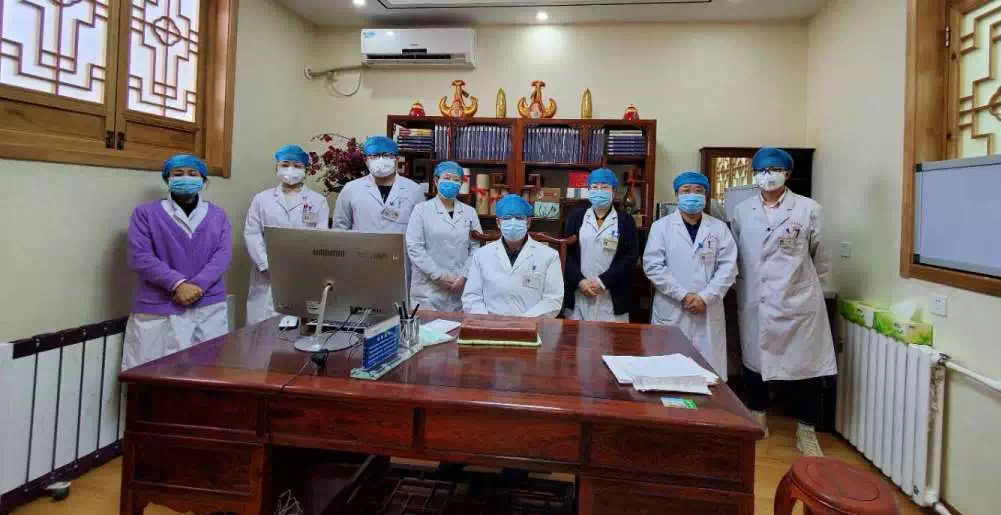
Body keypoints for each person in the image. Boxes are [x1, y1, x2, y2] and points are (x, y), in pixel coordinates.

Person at [731, 147, 836, 457]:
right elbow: (737, 252)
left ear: (787, 174)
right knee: (755, 362)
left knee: (807, 368)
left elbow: (823, 257)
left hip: (798, 301)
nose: (768, 176)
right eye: (762, 170)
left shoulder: (809, 209)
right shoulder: (742, 211)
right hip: (756, 299)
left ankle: (806, 431)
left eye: (775, 170)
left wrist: (804, 287)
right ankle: (758, 418)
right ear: (754, 175)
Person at [122, 154, 232, 370]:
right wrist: (178, 284)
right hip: (158, 306)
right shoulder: (145, 214)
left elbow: (222, 255)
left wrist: (197, 285)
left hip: (207, 305)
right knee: (152, 374)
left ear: (204, 180)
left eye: (192, 173)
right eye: (178, 174)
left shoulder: (218, 215)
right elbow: (139, 256)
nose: (185, 178)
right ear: (167, 179)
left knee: (206, 373)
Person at [643, 171, 737, 380]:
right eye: (686, 190)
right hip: (673, 306)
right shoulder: (661, 227)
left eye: (698, 191)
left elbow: (729, 268)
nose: (692, 195)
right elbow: (653, 266)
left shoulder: (719, 228)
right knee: (668, 372)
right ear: (677, 195)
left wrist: (705, 297)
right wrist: (683, 295)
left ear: (706, 195)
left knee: (707, 375)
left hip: (707, 307)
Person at [244, 144, 329, 325]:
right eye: (285, 165)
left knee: (299, 327)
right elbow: (252, 233)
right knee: (262, 328)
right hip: (267, 273)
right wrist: (265, 264)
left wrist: (305, 266)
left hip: (303, 271)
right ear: (277, 167)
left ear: (306, 170)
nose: (290, 170)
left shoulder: (318, 201)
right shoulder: (262, 199)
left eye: (297, 166)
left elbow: (321, 238)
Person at [462, 194, 564, 317]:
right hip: (490, 323)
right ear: (498, 222)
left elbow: (553, 300)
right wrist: (487, 321)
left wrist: (523, 322)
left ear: (528, 222)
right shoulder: (481, 255)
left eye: (519, 218)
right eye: (507, 218)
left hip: (532, 324)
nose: (513, 222)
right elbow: (471, 297)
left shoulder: (549, 256)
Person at [562, 168, 639, 322]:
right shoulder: (575, 217)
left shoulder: (625, 221)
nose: (599, 191)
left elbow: (630, 257)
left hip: (612, 298)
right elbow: (566, 254)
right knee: (577, 336)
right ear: (588, 190)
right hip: (579, 294)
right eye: (595, 187)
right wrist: (580, 281)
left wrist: (602, 281)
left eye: (604, 187)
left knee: (611, 337)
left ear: (614, 192)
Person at [405, 161, 483, 312]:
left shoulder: (470, 212)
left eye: (456, 180)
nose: (451, 183)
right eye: (447, 178)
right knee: (428, 327)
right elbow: (415, 248)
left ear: (461, 184)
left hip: (459, 289)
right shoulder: (421, 210)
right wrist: (438, 276)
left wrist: (464, 276)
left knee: (457, 326)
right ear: (436, 180)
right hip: (428, 292)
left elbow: (475, 248)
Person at [332, 136, 424, 233]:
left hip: (401, 243)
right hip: (361, 243)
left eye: (387, 155)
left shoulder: (414, 190)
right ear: (365, 160)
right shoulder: (351, 189)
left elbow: (420, 230)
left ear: (397, 159)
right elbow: (340, 228)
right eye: (374, 156)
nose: (380, 160)